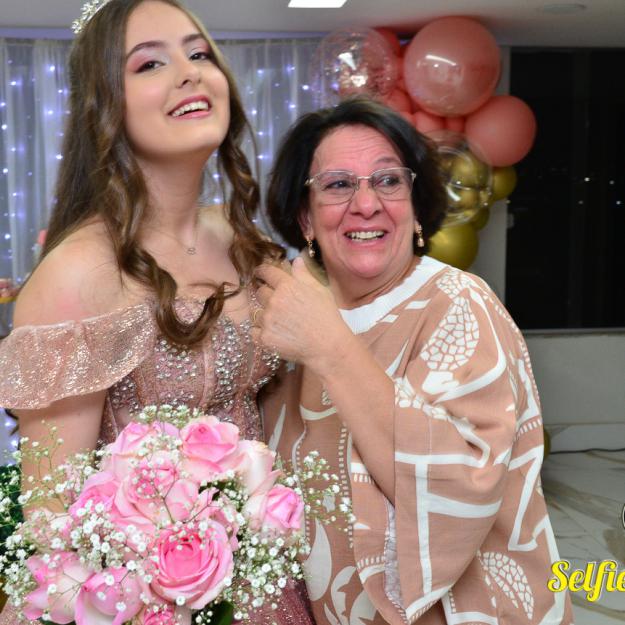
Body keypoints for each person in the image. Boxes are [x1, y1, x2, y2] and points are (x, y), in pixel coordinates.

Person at [0, 1, 313, 623]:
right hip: (144, 602)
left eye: (199, 54)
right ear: (105, 107)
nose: (190, 72)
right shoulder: (75, 273)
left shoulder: (246, 244)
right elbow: (50, 518)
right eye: (150, 64)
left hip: (270, 581)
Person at [257, 98, 573, 625]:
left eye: (388, 181)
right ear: (305, 218)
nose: (366, 204)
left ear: (416, 206)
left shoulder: (457, 304)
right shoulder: (294, 321)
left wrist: (330, 348)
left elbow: (463, 487)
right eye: (338, 184)